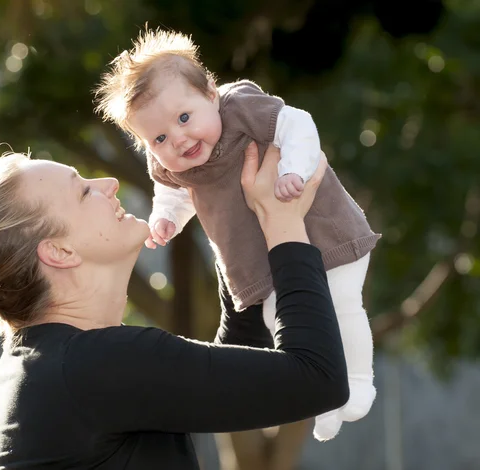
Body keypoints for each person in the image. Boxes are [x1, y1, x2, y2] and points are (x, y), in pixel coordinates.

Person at [0, 140, 347, 469]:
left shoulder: (52, 364)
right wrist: (284, 223)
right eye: (83, 190)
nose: (109, 183)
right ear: (59, 251)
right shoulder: (97, 365)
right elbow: (318, 379)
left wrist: (231, 221)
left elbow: (231, 374)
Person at [94, 28, 381, 440]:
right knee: (278, 321)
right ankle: (324, 398)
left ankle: (358, 380)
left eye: (184, 117)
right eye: (158, 138)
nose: (178, 138)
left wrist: (294, 170)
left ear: (211, 94)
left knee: (341, 304)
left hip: (326, 233)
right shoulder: (171, 165)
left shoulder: (242, 107)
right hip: (269, 263)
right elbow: (175, 195)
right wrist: (166, 219)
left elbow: (297, 124)